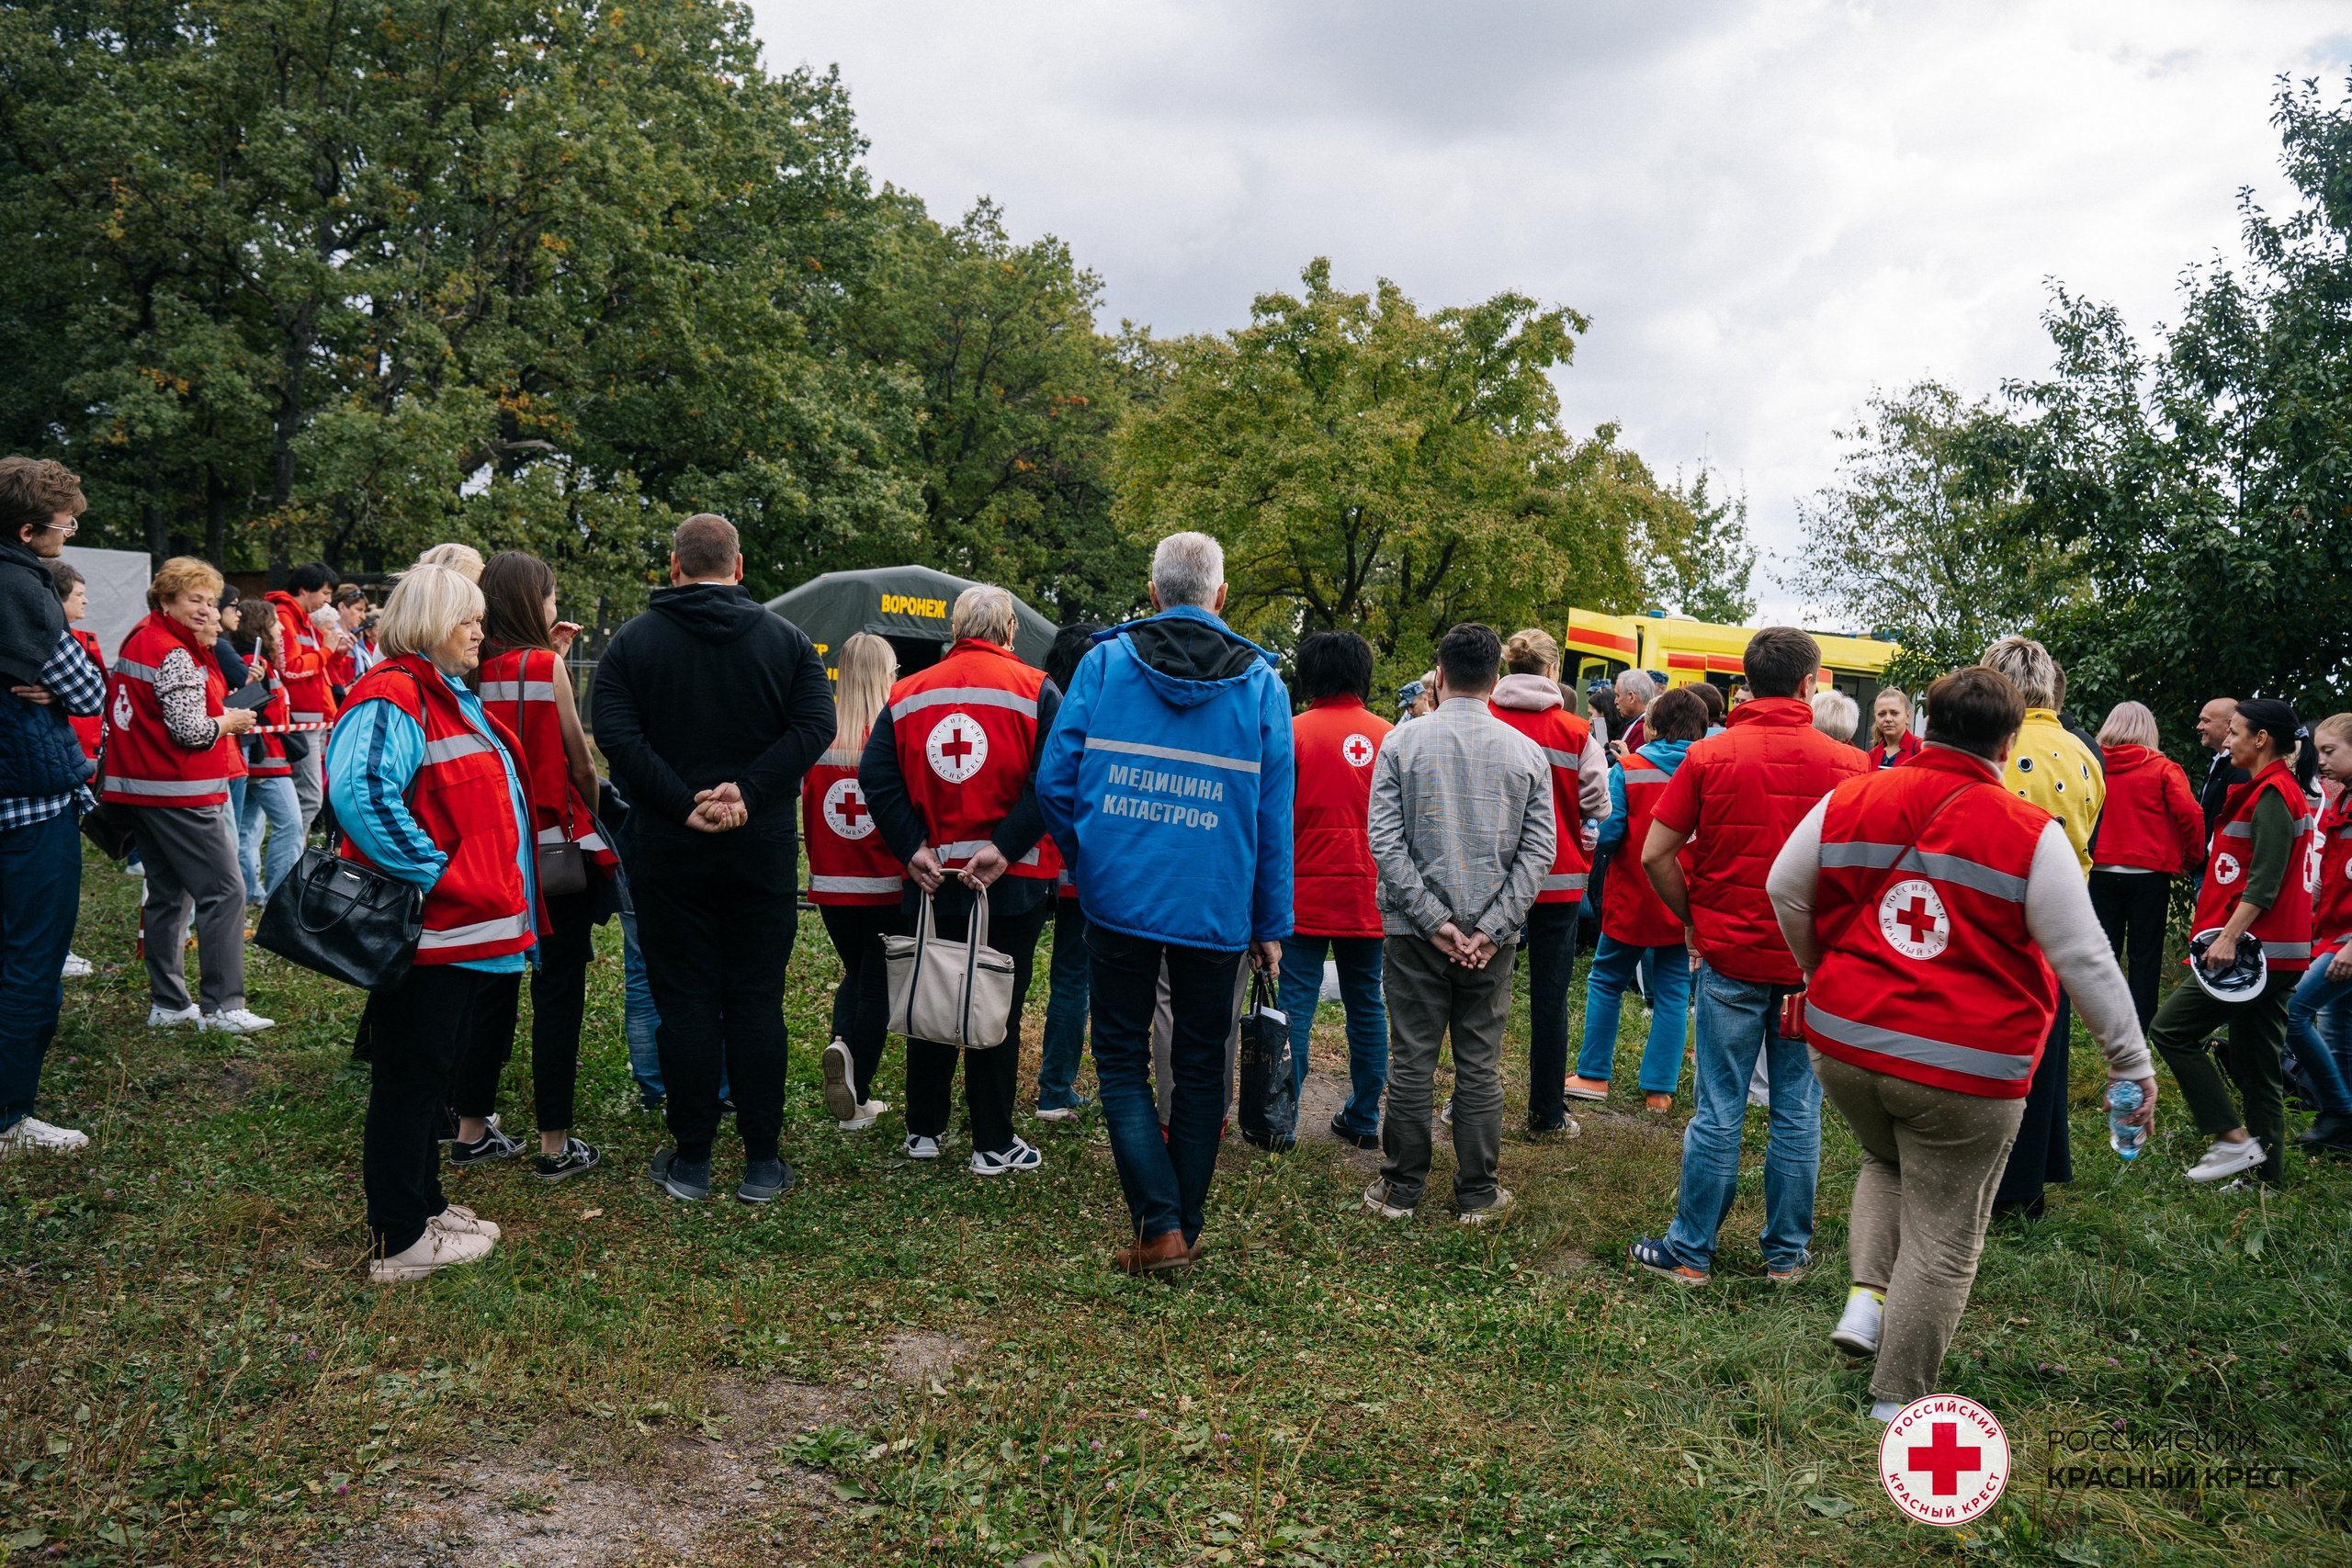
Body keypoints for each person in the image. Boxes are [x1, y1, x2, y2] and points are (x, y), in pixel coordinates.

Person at [1766, 665, 2154, 1420]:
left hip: (1845, 1044)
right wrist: (2130, 1060)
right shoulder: (2029, 834)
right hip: (1966, 1068)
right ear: (2010, 742)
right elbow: (2084, 956)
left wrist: (1823, 972)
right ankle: (1894, 1400)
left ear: (1927, 723)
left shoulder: (1850, 796)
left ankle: (1867, 1302)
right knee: (1946, 1234)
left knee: (1886, 1157)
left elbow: (1785, 885)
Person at [1036, 531, 1292, 1273]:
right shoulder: (1263, 686)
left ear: (1153, 594)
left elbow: (1055, 782)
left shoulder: (1106, 663)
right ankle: (1181, 1225)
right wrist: (1270, 923)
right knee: (1202, 1061)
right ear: (1220, 598)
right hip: (1216, 905)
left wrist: (1093, 861)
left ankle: (1161, 1225)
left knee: (1120, 1058)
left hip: (1117, 898)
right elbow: (1272, 817)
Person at [591, 514, 833, 1203]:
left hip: (671, 849)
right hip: (758, 850)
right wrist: (751, 795)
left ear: (674, 566)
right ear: (738, 564)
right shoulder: (784, 642)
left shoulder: (634, 644)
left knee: (687, 999)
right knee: (755, 999)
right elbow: (817, 724)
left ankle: (693, 1157)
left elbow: (615, 732)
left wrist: (678, 802)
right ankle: (762, 1159)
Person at [1627, 626, 1867, 1286]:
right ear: (1808, 684)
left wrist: (1695, 918)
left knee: (1719, 1105)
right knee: (1797, 1107)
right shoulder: (1852, 765)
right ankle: (1785, 1256)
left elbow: (1656, 852)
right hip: (1807, 969)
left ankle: (1691, 1251)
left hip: (1730, 956)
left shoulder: (1710, 756)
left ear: (1746, 683)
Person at [327, 563, 534, 1281]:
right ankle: (400, 1236)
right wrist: (438, 873)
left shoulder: (441, 692)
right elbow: (361, 792)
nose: (480, 629)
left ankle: (425, 1207)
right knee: (410, 1081)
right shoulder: (394, 691)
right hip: (434, 930)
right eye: (467, 617)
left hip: (463, 930)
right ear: (429, 622)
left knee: (429, 1078)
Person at [859, 586, 1059, 1175]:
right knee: (998, 1003)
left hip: (932, 877)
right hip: (1010, 883)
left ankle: (924, 1131)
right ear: (1010, 631)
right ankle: (992, 1142)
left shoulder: (906, 692)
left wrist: (910, 848)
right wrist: (1003, 847)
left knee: (930, 990)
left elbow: (876, 775)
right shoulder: (1037, 689)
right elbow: (1054, 779)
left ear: (953, 630)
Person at [1363, 621, 1552, 1223]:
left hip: (1415, 932)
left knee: (1413, 1056)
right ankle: (1477, 1191)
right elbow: (1538, 850)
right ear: (1496, 679)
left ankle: (1400, 1189)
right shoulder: (1527, 752)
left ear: (1439, 675)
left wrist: (1432, 920)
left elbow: (1385, 842)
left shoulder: (1403, 741)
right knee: (1478, 1062)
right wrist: (1492, 927)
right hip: (1488, 938)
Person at [447, 551, 617, 1182]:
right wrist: (589, 813)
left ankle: (470, 1128)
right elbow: (580, 763)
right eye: (550, 598)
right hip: (551, 852)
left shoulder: (464, 668)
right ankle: (554, 1143)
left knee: (490, 987)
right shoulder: (546, 667)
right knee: (558, 993)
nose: (555, 608)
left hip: (484, 849)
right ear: (531, 604)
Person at [2146, 698, 2316, 1187]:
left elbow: (2264, 883)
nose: (2227, 738)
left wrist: (2228, 937)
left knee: (2170, 1030)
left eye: (2236, 731)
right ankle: (2268, 1178)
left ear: (2261, 739)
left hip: (2254, 956)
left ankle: (2231, 1140)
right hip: (2282, 955)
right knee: (2256, 1065)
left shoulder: (2271, 795)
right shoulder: (2276, 790)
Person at [102, 558, 272, 1035]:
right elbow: (191, 730)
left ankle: (170, 1004)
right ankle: (222, 1006)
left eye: (211, 601)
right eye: (193, 600)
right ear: (166, 601)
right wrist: (231, 722)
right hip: (181, 790)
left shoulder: (145, 639)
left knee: (168, 895)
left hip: (146, 789)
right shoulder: (172, 652)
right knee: (225, 890)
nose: (205, 610)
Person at [1977, 637, 2104, 1219]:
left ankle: (1991, 1182)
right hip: (2064, 916)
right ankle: (2033, 1181)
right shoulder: (2086, 753)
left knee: (1992, 1051)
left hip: (1998, 916)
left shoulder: (1996, 746)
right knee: (2046, 1051)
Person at [0, 457, 105, 1157]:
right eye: (64, 525)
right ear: (28, 528)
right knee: (31, 962)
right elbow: (89, 689)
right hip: (30, 809)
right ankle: (9, 1117)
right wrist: (60, 686)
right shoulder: (27, 590)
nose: (68, 535)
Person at [1488, 627, 1608, 1134]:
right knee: (1551, 996)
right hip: (1557, 881)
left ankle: (1470, 1100)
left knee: (1479, 996)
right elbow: (1597, 805)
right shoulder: (1577, 732)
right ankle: (1546, 1113)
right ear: (1554, 671)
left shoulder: (1485, 718)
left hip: (1489, 878)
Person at [1282, 630, 1396, 1148]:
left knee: (1295, 1008)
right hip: (1371, 896)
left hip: (1302, 895)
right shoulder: (1393, 736)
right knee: (1367, 1005)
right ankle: (1365, 1117)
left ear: (1309, 676)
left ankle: (1281, 1117)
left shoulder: (1291, 732)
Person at [1571, 686, 1706, 1111]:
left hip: (1631, 895)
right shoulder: (1708, 770)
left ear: (1650, 727)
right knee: (1673, 993)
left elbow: (1608, 833)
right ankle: (1659, 1091)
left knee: (1607, 981)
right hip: (1683, 901)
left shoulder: (1629, 768)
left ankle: (1593, 1076)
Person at [805, 632, 902, 1133]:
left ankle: (841, 1046)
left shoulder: (820, 742)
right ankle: (858, 1095)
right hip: (883, 885)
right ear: (885, 676)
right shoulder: (891, 743)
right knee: (878, 988)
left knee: (856, 974)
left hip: (831, 889)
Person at [2088, 701, 2205, 1028]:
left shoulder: (2091, 765)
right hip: (2148, 873)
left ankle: (2100, 1020)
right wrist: (2191, 858)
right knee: (2146, 953)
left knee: (2103, 949)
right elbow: (2191, 814)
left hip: (2099, 869)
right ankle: (2141, 1023)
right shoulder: (2163, 768)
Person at [1035, 622, 1106, 1125]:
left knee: (1006, 973)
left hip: (1031, 858)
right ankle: (1055, 1091)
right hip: (1079, 865)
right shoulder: (1103, 706)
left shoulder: (1039, 698)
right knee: (1072, 980)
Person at [2290, 713, 2352, 1154]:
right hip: (2333, 935)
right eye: (2318, 750)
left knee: (2293, 1014)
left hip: (2349, 943)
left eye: (2330, 751)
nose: (2320, 760)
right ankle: (2345, 1131)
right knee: (2339, 1028)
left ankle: (2339, 1112)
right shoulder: (2343, 800)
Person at [47, 559, 103, 979]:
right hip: (61, 764)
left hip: (74, 758)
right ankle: (54, 952)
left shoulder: (79, 638)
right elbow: (89, 694)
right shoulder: (52, 639)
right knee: (51, 877)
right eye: (78, 593)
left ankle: (58, 949)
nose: (85, 599)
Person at [231, 602, 303, 904]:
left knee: (245, 830)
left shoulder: (261, 660)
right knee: (291, 825)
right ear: (260, 625)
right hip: (266, 760)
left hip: (261, 757)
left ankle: (251, 894)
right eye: (275, 622)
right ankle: (280, 898)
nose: (281, 627)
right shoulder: (252, 660)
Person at [265, 563, 339, 836]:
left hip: (314, 720)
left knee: (310, 797)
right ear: (305, 589)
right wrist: (328, 651)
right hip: (300, 722)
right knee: (308, 799)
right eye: (325, 593)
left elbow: (318, 666)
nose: (328, 600)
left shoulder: (302, 619)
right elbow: (292, 669)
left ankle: (295, 855)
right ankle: (294, 862)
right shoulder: (284, 617)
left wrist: (334, 652)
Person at [2196, 697, 2248, 844]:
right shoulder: (2217, 761)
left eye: (2206, 721)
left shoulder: (2238, 768)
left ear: (2229, 724)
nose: (2199, 727)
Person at [1868, 689, 1921, 769]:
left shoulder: (1920, 749)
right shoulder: (1872, 755)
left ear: (1907, 716)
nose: (1888, 719)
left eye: (1894, 713)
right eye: (1882, 714)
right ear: (1876, 718)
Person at [1612, 669, 1656, 755]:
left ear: (1631, 697)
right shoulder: (1640, 725)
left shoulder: (1642, 729)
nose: (1615, 701)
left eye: (1618, 696)